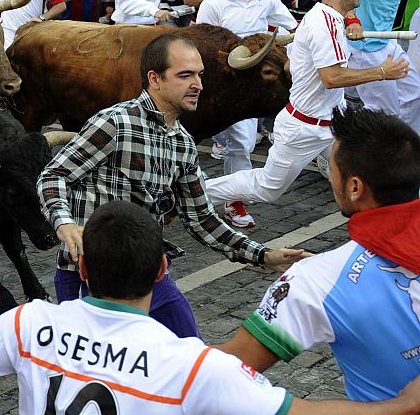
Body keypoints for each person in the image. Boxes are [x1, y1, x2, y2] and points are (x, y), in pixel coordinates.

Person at [0, 199, 420, 413]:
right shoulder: (194, 364)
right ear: (163, 271)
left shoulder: (30, 322)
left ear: (83, 270)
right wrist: (398, 407)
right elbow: (302, 412)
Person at [37, 33, 308, 338]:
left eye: (199, 75)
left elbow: (202, 218)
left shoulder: (183, 145)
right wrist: (65, 224)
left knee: (191, 355)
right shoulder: (114, 123)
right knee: (104, 377)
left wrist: (263, 255)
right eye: (185, 75)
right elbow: (54, 175)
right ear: (155, 79)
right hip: (90, 277)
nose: (198, 85)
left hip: (150, 273)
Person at [218, 107, 420, 402]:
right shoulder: (323, 273)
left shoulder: (314, 281)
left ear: (354, 187)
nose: (329, 178)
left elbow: (228, 368)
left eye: (332, 169)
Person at [205, 0, 410, 213]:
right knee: (267, 188)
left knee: (365, 171)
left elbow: (292, 67)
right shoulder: (324, 23)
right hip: (304, 129)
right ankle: (198, 192)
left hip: (329, 126)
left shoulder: (326, 17)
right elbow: (332, 78)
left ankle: (383, 220)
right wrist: (382, 72)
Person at [197, 0, 297, 228]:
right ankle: (210, 194)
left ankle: (232, 199)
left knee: (244, 142)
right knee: (221, 139)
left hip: (254, 86)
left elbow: (290, 26)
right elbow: (200, 44)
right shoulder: (214, 3)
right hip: (220, 84)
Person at [347, 0, 420, 135]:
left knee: (414, 94)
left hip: (388, 43)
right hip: (366, 47)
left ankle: (406, 150)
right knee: (383, 112)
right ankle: (358, 152)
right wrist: (352, 21)